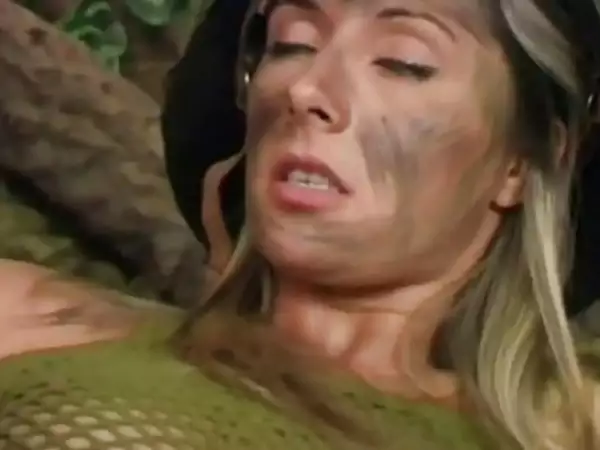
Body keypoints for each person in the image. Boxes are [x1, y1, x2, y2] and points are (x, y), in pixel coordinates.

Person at [1, 0, 600, 449]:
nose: (305, 88)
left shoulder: (564, 424)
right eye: (291, 44)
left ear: (522, 163)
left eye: (402, 61)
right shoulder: (30, 317)